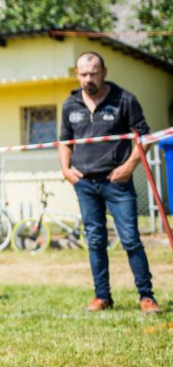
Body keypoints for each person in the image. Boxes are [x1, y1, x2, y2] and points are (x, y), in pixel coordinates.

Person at [59, 52, 161, 314]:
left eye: (93, 73)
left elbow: (144, 137)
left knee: (131, 239)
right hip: (85, 184)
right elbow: (64, 141)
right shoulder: (70, 104)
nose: (88, 79)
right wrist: (66, 170)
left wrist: (128, 167)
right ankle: (102, 296)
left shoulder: (125, 100)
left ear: (104, 72)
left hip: (117, 183)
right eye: (83, 74)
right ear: (77, 74)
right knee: (94, 241)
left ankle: (146, 297)